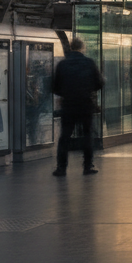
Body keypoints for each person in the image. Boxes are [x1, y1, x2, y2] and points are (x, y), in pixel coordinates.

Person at [53, 37, 104, 177]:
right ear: (82, 48)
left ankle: (61, 168)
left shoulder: (62, 65)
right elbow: (99, 83)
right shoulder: (89, 63)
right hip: (85, 104)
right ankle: (87, 167)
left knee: (65, 137)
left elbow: (55, 86)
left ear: (70, 48)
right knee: (87, 136)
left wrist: (65, 93)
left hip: (68, 105)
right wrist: (88, 89)